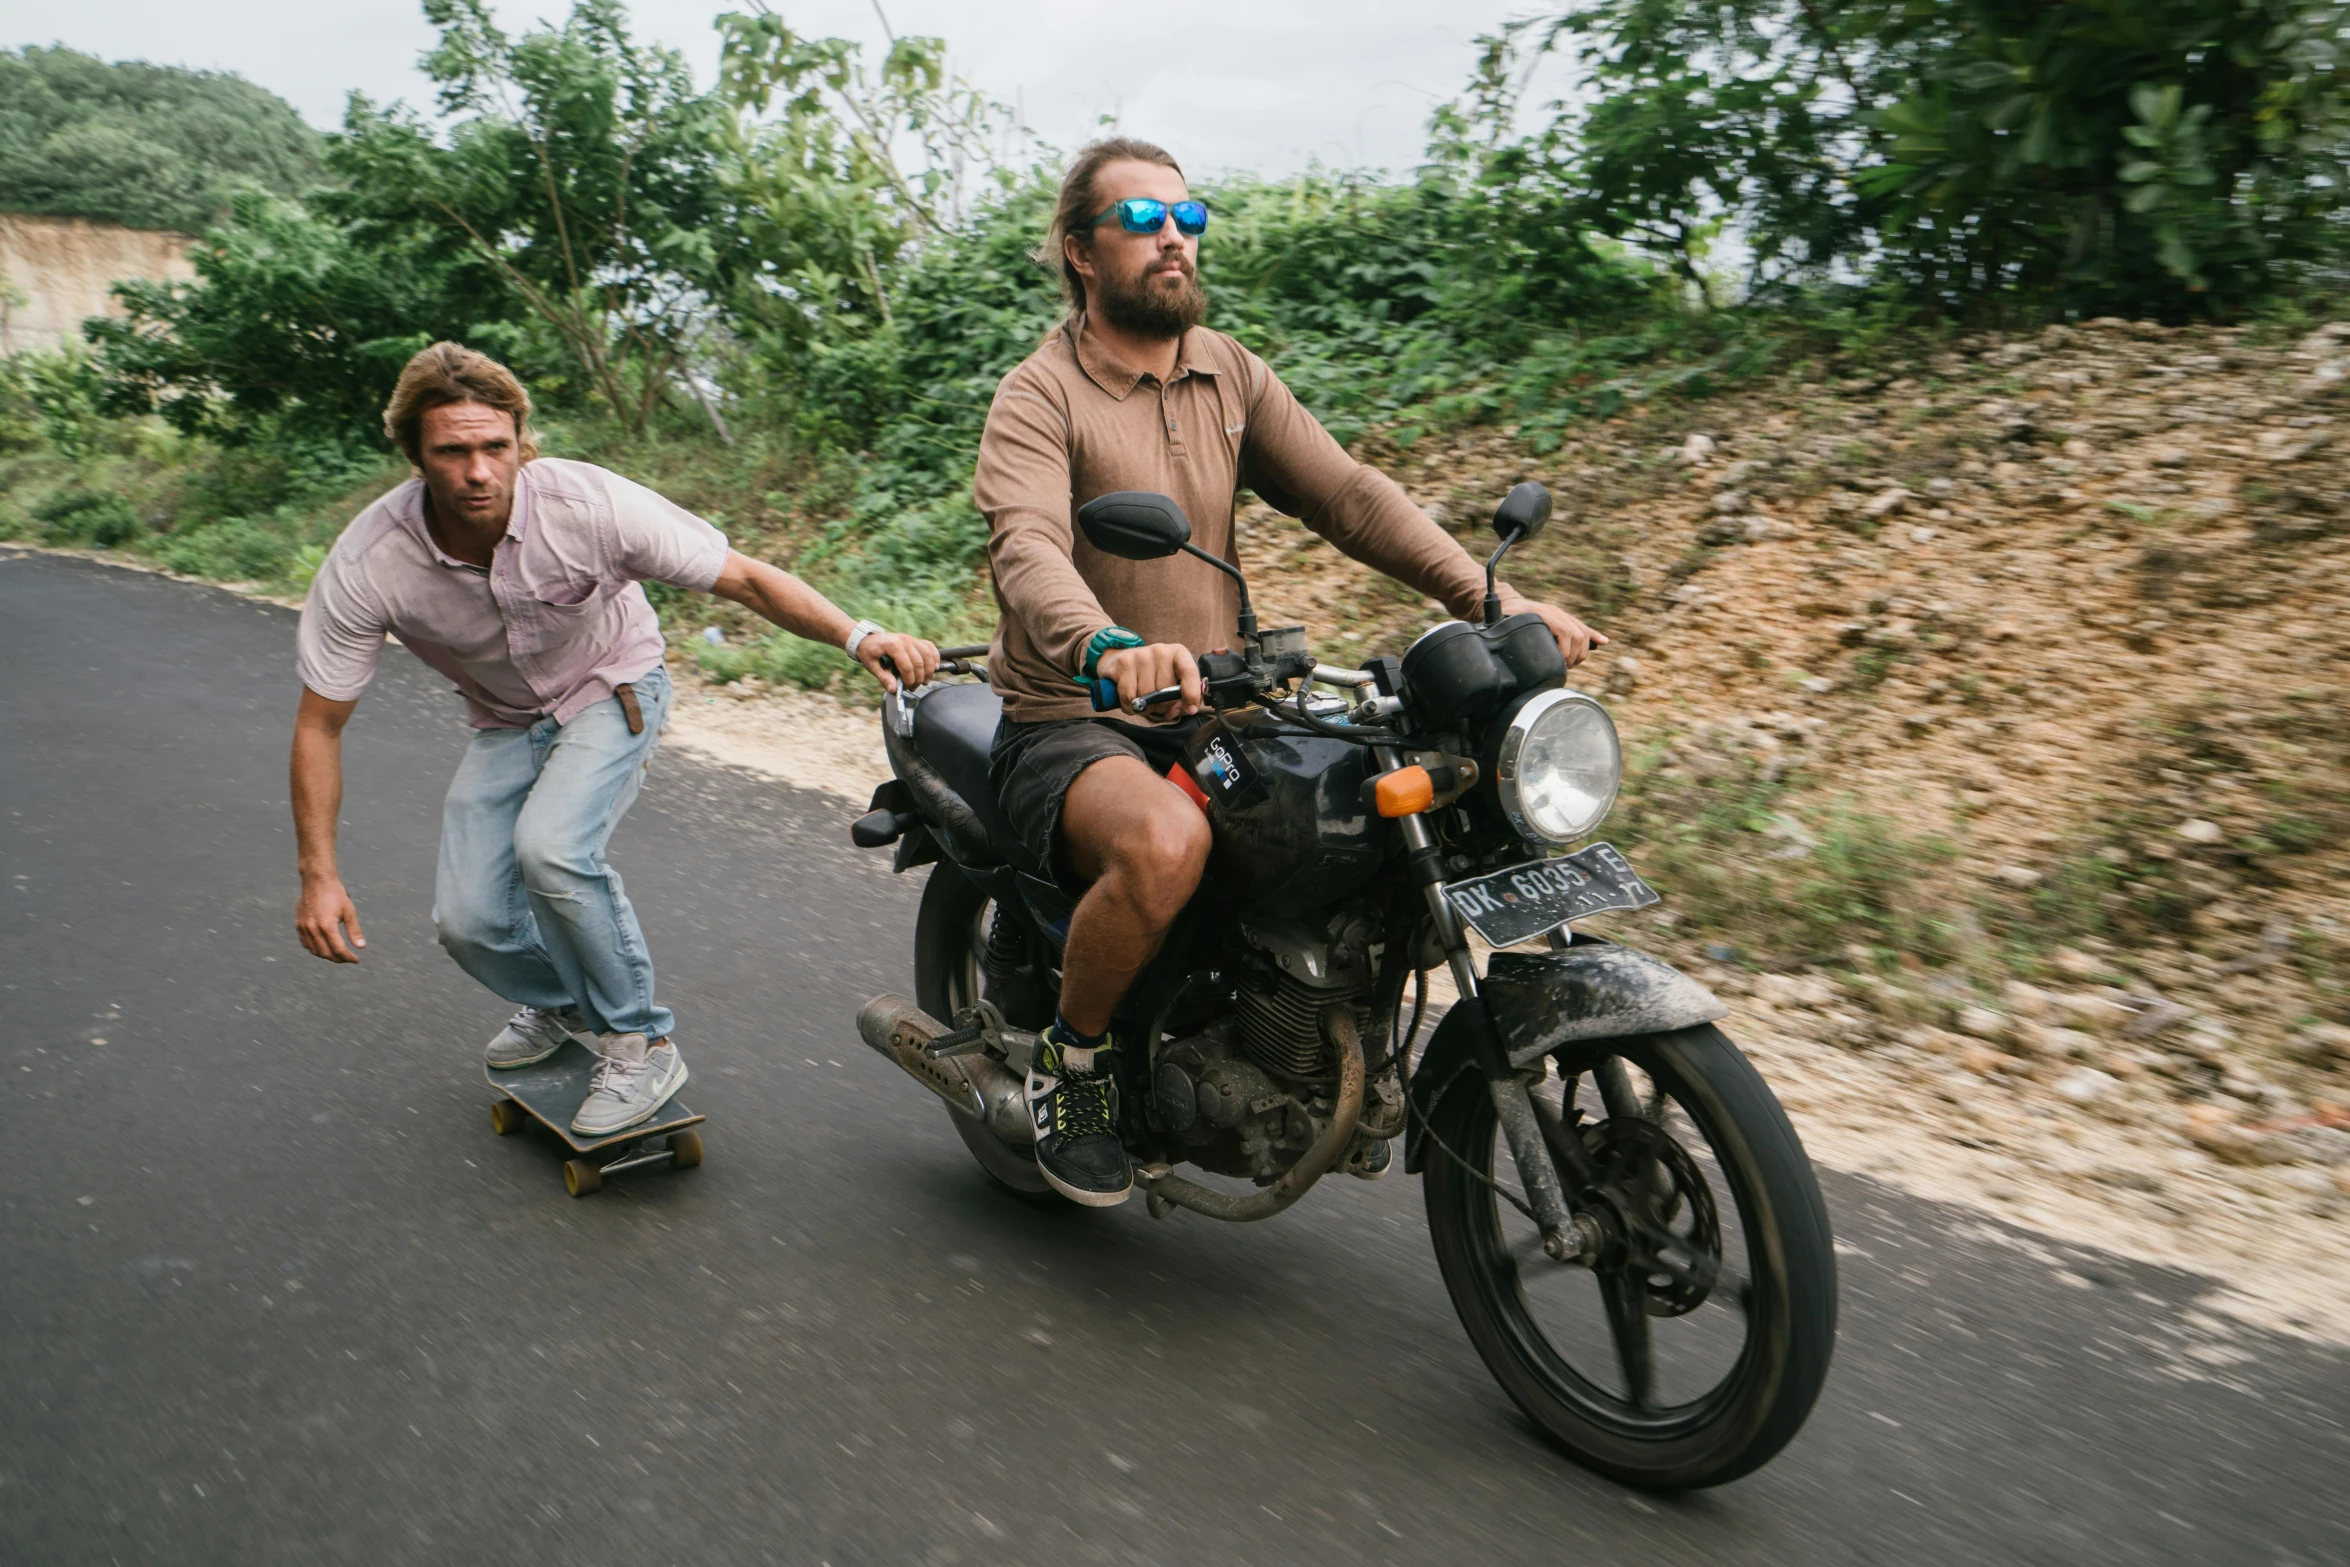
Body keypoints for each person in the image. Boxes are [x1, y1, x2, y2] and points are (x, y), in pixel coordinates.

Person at [975, 139, 1608, 1206]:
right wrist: (1106, 649)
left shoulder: (1225, 369)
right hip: (1072, 718)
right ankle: (1072, 1065)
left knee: (1355, 814)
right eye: (1139, 220)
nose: (1171, 235)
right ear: (1082, 253)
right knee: (1167, 839)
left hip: (1217, 705)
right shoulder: (1040, 396)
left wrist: (1490, 603)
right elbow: (1027, 546)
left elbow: (1347, 496)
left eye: (1187, 216)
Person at [290, 342, 938, 1135]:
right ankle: (561, 1002)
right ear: (415, 456)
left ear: (521, 440)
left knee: (552, 850)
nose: (478, 472)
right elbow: (320, 723)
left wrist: (857, 633)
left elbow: (743, 576)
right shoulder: (370, 562)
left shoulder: (589, 506)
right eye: (451, 452)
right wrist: (319, 876)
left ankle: (639, 1041)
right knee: (468, 922)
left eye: (495, 447)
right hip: (504, 718)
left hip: (614, 688)